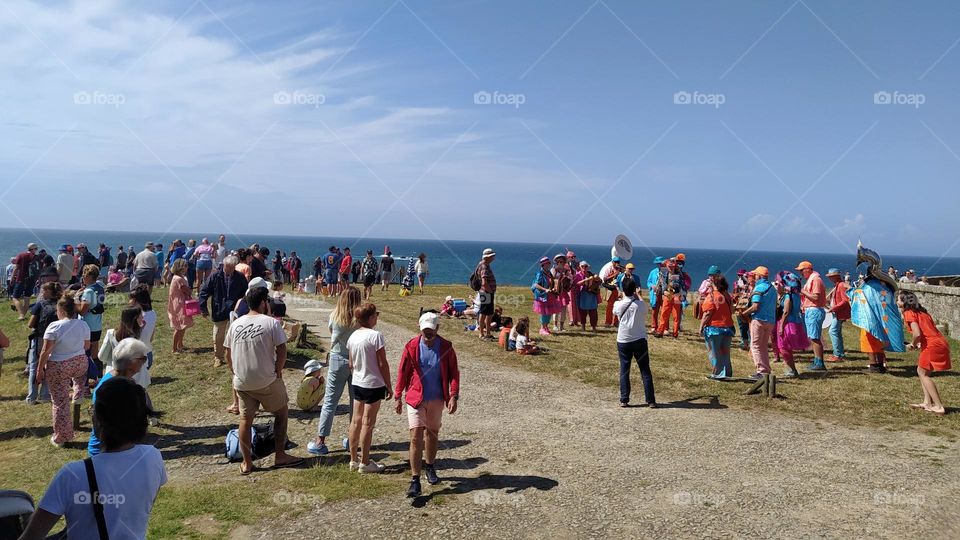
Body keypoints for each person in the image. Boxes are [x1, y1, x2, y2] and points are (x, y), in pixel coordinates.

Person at [19, 377, 166, 539]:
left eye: (93, 410)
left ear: (99, 421)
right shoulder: (153, 457)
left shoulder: (73, 474)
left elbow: (31, 536)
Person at [225, 286, 302, 474]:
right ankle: (280, 455)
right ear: (263, 303)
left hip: (242, 381)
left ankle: (247, 462)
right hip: (266, 379)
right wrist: (278, 370)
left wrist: (234, 371)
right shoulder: (271, 323)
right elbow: (282, 349)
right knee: (282, 413)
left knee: (245, 419)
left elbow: (227, 352)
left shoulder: (236, 324)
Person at [394, 312, 461, 497]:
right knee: (416, 436)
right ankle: (415, 480)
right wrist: (398, 395)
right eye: (425, 331)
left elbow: (454, 373)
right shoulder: (412, 346)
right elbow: (403, 371)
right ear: (420, 329)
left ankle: (430, 466)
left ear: (437, 329)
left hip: (437, 398)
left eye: (431, 330)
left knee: (432, 434)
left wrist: (454, 395)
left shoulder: (446, 347)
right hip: (416, 398)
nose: (428, 334)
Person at [307, 287, 362, 456]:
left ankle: (320, 441)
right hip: (356, 360)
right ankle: (353, 439)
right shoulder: (359, 319)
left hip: (338, 358)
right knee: (356, 402)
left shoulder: (334, 316)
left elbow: (332, 332)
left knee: (331, 401)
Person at [37, 295, 90, 446]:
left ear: (60, 310)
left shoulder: (54, 326)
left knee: (60, 402)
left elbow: (45, 352)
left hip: (59, 366)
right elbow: (86, 347)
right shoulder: (83, 325)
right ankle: (79, 391)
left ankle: (61, 437)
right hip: (79, 363)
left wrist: (39, 370)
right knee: (80, 375)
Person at [347, 302, 392, 473]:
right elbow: (382, 363)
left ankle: (353, 459)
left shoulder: (353, 336)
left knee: (356, 421)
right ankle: (365, 462)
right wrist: (388, 384)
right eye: (376, 315)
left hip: (357, 382)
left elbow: (351, 363)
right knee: (368, 423)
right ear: (371, 318)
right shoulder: (376, 336)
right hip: (373, 383)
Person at [89, 338, 149, 456]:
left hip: (122, 447)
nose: (144, 362)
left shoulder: (125, 382)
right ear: (130, 363)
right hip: (105, 452)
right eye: (143, 359)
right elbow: (99, 427)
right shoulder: (107, 389)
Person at [899, 291, 951, 415]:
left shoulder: (908, 313)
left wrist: (912, 344)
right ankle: (927, 402)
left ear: (904, 302)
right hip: (938, 342)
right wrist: (919, 343)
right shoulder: (922, 312)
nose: (897, 302)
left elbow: (917, 333)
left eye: (899, 299)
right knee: (923, 371)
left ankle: (938, 406)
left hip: (932, 345)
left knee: (923, 373)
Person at [199, 255, 248, 367]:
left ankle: (233, 356)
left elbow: (245, 294)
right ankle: (218, 357)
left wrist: (244, 308)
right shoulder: (215, 276)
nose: (228, 269)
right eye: (227, 266)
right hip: (219, 309)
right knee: (218, 334)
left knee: (235, 334)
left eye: (231, 267)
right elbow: (204, 292)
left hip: (235, 309)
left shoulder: (240, 277)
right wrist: (203, 308)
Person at [613, 279, 655, 407]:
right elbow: (646, 309)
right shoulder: (640, 304)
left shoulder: (618, 304)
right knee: (645, 370)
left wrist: (621, 296)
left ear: (623, 290)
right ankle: (651, 400)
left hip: (624, 340)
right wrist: (639, 294)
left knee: (624, 369)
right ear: (634, 290)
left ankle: (624, 399)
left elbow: (615, 312)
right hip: (640, 340)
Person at [26, 282, 62, 404]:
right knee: (49, 366)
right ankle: (45, 395)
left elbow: (30, 324)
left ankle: (31, 397)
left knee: (34, 366)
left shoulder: (40, 304)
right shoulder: (60, 304)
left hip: (40, 338)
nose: (41, 293)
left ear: (48, 291)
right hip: (55, 339)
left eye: (43, 290)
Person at [740, 266, 777, 380]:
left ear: (759, 276)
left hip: (759, 319)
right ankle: (766, 371)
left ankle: (761, 371)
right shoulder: (772, 288)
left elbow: (755, 306)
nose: (754, 277)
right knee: (763, 346)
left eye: (755, 275)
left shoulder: (759, 288)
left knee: (755, 345)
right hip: (770, 320)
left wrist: (744, 313)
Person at [698, 267, 735, 380]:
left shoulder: (713, 296)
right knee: (725, 352)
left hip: (715, 328)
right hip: (728, 327)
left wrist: (701, 327)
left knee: (715, 352)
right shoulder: (727, 295)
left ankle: (718, 374)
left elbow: (707, 313)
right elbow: (732, 310)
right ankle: (727, 372)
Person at [774, 272, 810, 378]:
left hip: (787, 323)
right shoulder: (796, 295)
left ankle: (793, 370)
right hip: (794, 322)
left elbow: (786, 311)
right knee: (786, 348)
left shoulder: (788, 296)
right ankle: (790, 369)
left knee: (783, 347)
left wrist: (781, 326)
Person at [795, 261, 827, 371]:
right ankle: (817, 360)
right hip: (810, 310)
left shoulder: (816, 280)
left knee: (815, 338)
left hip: (814, 309)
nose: (800, 273)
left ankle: (820, 362)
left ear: (808, 269)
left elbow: (815, 297)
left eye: (801, 270)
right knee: (813, 337)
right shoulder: (811, 279)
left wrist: (802, 290)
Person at [77, 264, 105, 376]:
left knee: (85, 354)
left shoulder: (88, 291)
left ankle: (87, 378)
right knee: (95, 354)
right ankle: (99, 376)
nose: (82, 277)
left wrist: (75, 298)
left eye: (84, 275)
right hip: (96, 325)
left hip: (86, 326)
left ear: (88, 276)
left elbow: (82, 311)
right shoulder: (100, 287)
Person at [655, 258, 686, 338]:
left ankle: (675, 333)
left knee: (676, 316)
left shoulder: (678, 274)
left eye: (672, 266)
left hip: (676, 295)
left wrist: (682, 296)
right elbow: (660, 284)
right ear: (666, 265)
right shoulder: (663, 273)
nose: (670, 267)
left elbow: (681, 285)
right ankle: (660, 332)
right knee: (664, 313)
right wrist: (663, 292)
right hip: (667, 295)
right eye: (669, 266)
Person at [168, 258, 194, 354]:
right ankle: (174, 348)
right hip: (179, 304)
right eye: (185, 266)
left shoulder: (177, 277)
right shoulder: (179, 279)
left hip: (179, 302)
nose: (187, 267)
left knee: (183, 325)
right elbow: (186, 290)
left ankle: (180, 344)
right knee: (179, 327)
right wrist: (190, 290)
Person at [825, 268, 850, 362]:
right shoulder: (839, 285)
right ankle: (840, 353)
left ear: (836, 276)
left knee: (833, 332)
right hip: (838, 312)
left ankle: (837, 355)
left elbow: (845, 300)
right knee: (837, 332)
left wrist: (833, 308)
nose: (829, 279)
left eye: (831, 277)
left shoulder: (841, 285)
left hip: (839, 313)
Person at [531, 256, 560, 336]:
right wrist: (545, 289)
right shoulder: (540, 274)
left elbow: (551, 283)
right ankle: (542, 328)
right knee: (544, 312)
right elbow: (536, 284)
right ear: (543, 265)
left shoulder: (549, 273)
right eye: (547, 263)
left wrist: (553, 289)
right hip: (542, 296)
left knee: (549, 312)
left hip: (550, 295)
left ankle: (546, 327)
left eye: (549, 263)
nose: (548, 265)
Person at [11, 242, 39, 320]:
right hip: (32, 280)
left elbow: (16, 268)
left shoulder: (21, 255)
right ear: (34, 249)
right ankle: (23, 314)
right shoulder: (37, 257)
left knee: (15, 297)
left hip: (21, 279)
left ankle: (21, 315)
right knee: (27, 298)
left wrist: (12, 278)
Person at [476, 248, 497, 341]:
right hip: (486, 293)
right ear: (488, 257)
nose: (493, 258)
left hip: (486, 292)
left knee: (489, 313)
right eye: (492, 256)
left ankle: (488, 333)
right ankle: (482, 333)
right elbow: (484, 282)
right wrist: (490, 291)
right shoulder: (484, 266)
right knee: (484, 313)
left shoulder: (483, 265)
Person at [575, 261, 601, 331]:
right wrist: (585, 280)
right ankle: (583, 327)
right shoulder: (578, 275)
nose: (584, 268)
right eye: (582, 266)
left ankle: (594, 327)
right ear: (580, 267)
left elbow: (600, 281)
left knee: (593, 312)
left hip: (591, 295)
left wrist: (597, 278)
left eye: (585, 266)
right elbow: (576, 283)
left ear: (587, 267)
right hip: (583, 295)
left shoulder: (591, 274)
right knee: (582, 312)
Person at [551, 253, 573, 332]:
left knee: (563, 310)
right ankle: (555, 325)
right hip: (556, 293)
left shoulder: (566, 271)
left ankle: (561, 326)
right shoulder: (554, 270)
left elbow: (571, 278)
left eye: (562, 262)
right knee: (556, 310)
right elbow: (551, 279)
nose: (560, 263)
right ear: (556, 262)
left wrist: (567, 277)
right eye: (559, 262)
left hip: (563, 292)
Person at [599, 256, 623, 327]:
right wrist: (614, 275)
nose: (617, 263)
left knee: (618, 306)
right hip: (610, 289)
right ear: (612, 262)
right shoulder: (609, 269)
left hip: (618, 290)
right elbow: (605, 279)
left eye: (618, 262)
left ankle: (616, 322)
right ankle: (608, 322)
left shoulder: (621, 269)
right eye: (615, 262)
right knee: (610, 306)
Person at [732, 269, 753, 350]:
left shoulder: (750, 285)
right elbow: (734, 294)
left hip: (747, 307)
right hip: (739, 306)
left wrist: (746, 286)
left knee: (748, 325)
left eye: (742, 275)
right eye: (739, 275)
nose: (740, 277)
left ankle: (750, 342)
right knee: (741, 325)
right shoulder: (736, 283)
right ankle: (744, 341)